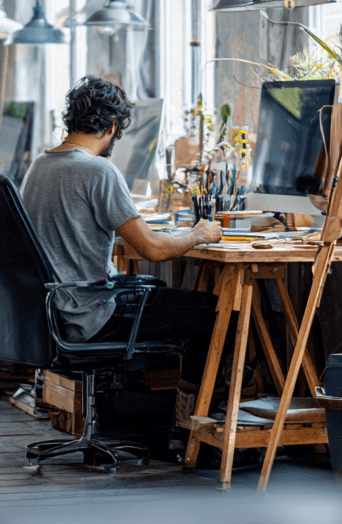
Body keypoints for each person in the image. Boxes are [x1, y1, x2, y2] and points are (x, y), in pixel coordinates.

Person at [20, 76, 223, 421]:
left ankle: (134, 414)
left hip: (55, 313)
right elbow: (154, 249)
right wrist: (198, 233)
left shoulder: (38, 167)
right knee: (211, 313)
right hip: (91, 317)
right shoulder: (98, 171)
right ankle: (192, 426)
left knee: (158, 292)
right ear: (113, 125)